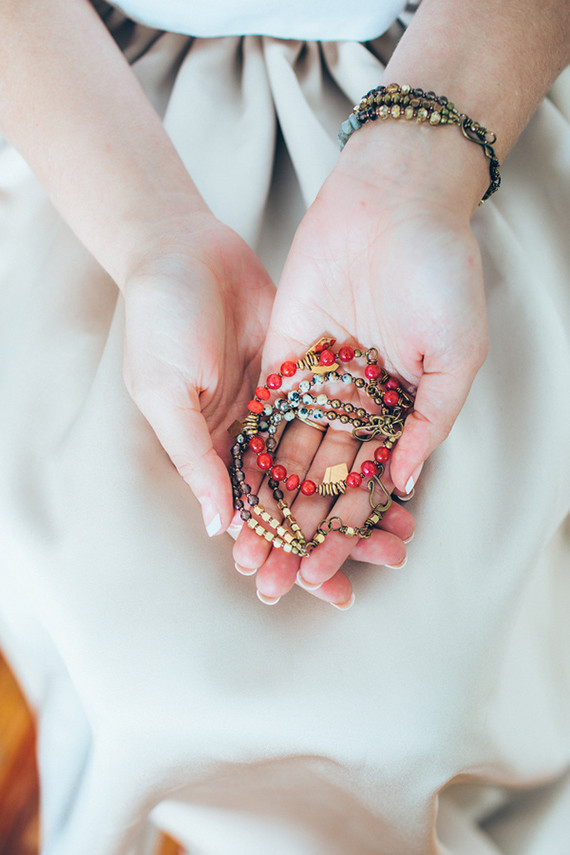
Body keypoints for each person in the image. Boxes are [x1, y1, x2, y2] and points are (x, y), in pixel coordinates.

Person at [0, 1, 569, 853]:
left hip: (458, 82)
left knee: (423, 690)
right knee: (127, 648)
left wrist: (417, 173)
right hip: (97, 128)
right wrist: (152, 235)